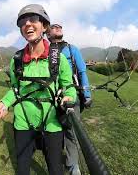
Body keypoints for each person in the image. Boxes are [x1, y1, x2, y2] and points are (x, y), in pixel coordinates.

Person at [0, 4, 77, 175]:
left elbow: (68, 86)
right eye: (23, 22)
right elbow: (16, 88)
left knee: (55, 168)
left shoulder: (58, 59)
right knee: (22, 168)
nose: (28, 24)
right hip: (23, 122)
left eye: (33, 19)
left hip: (52, 122)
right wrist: (5, 102)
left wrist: (69, 97)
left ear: (45, 26)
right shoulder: (16, 60)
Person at [47, 23, 93, 175]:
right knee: (52, 130)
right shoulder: (45, 51)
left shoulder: (72, 49)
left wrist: (87, 95)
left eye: (60, 26)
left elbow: (82, 72)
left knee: (71, 131)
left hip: (71, 95)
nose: (58, 27)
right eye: (54, 27)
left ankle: (73, 165)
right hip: (50, 98)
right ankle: (54, 159)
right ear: (47, 34)